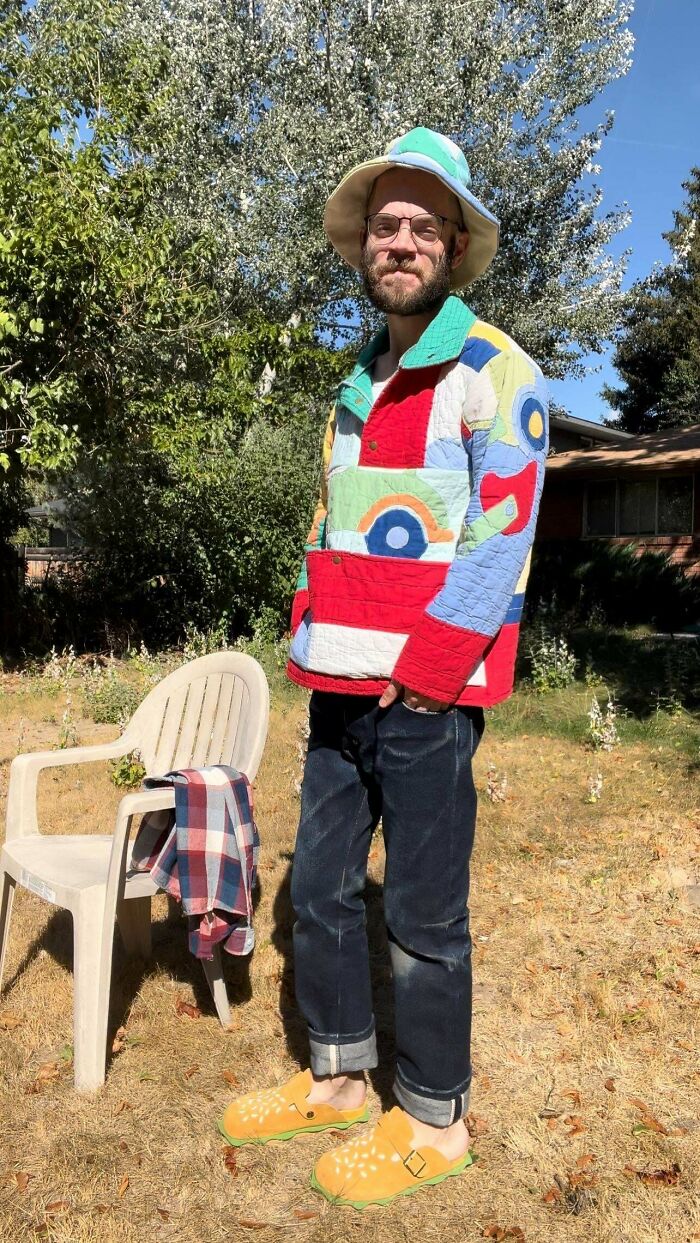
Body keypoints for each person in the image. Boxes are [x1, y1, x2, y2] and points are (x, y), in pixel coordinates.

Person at [219, 127, 549, 1209]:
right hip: (340, 685)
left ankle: (438, 1115)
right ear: (363, 244)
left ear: (453, 245)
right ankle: (341, 1077)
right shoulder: (359, 377)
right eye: (383, 225)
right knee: (315, 892)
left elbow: (501, 535)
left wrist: (430, 673)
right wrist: (307, 630)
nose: (398, 241)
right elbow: (334, 520)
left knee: (421, 913)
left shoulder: (495, 369)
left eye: (421, 226)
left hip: (425, 696)